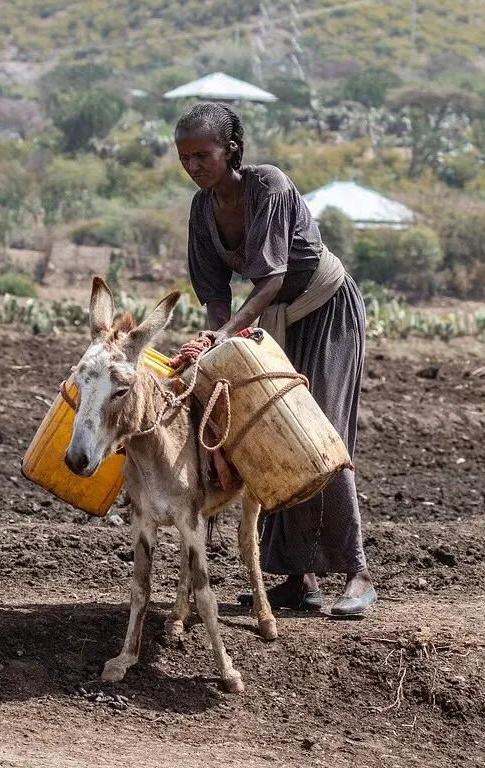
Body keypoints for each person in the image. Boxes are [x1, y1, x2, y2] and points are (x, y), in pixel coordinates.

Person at [167, 101, 377, 617]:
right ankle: (299, 578)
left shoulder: (269, 187)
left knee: (318, 432)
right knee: (265, 430)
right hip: (272, 318)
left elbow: (271, 279)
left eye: (202, 155)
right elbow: (215, 292)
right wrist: (215, 336)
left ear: (231, 150)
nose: (193, 166)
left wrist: (226, 333)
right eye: (185, 157)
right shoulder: (202, 210)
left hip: (324, 309)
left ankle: (358, 574)